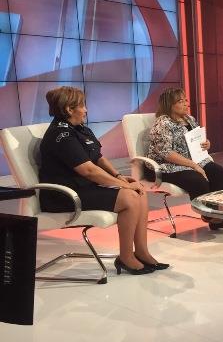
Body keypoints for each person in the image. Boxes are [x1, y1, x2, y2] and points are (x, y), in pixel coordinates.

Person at [39, 86, 168, 275]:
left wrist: (118, 176)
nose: (86, 110)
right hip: (63, 195)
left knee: (139, 193)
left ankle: (141, 251)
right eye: (82, 106)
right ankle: (125, 257)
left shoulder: (81, 129)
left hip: (83, 188)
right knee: (130, 197)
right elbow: (89, 170)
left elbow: (98, 158)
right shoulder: (61, 135)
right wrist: (123, 185)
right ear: (69, 109)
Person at [147, 87, 223, 230]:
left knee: (217, 171)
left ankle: (218, 212)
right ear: (169, 104)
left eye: (186, 100)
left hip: (191, 160)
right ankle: (208, 214)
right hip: (167, 165)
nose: (186, 103)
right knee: (196, 179)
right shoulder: (162, 123)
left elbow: (197, 139)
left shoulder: (189, 119)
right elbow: (166, 153)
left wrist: (206, 143)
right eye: (181, 101)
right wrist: (193, 165)